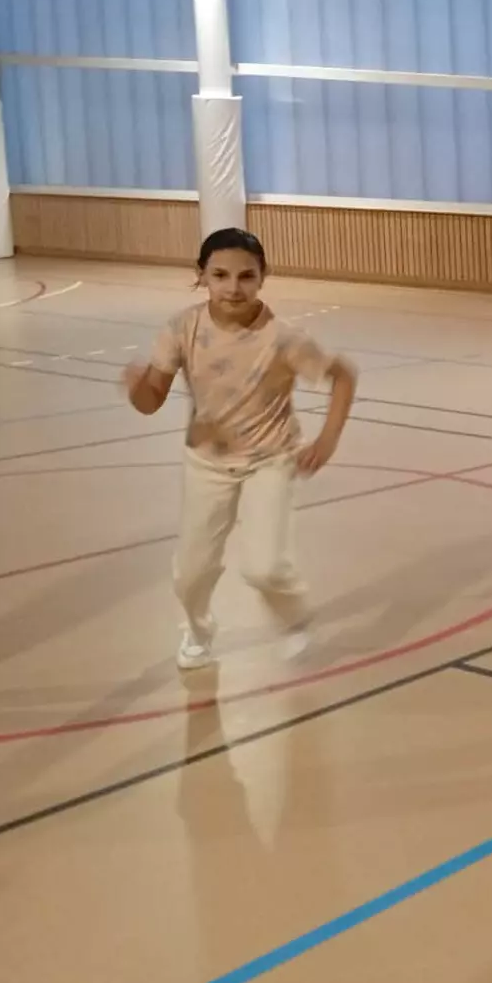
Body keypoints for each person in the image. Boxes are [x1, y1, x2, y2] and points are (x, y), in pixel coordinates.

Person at [123, 228, 357, 670]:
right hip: (206, 464)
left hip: (270, 460)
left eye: (246, 276)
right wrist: (136, 388)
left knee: (264, 567)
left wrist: (328, 438)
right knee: (191, 572)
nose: (233, 287)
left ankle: (294, 619)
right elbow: (150, 401)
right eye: (221, 275)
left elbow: (342, 375)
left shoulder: (284, 338)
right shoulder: (181, 327)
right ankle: (197, 627)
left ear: (263, 277)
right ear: (202, 276)